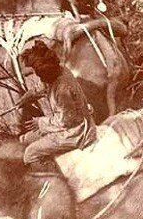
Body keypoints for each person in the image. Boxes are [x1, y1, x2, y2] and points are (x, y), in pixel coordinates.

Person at [18, 41, 97, 169]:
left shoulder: (62, 89)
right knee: (25, 139)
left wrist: (40, 122)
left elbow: (65, 121)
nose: (36, 76)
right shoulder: (59, 70)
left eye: (36, 73)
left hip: (75, 132)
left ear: (44, 73)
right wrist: (29, 96)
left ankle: (53, 183)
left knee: (30, 154)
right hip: (65, 125)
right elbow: (44, 85)